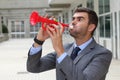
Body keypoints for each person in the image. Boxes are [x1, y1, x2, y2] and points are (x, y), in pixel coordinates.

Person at [27, 7, 112, 80]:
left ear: (91, 27)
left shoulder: (102, 54)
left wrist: (60, 51)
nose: (73, 22)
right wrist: (39, 41)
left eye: (79, 19)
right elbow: (33, 67)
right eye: (73, 19)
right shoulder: (66, 48)